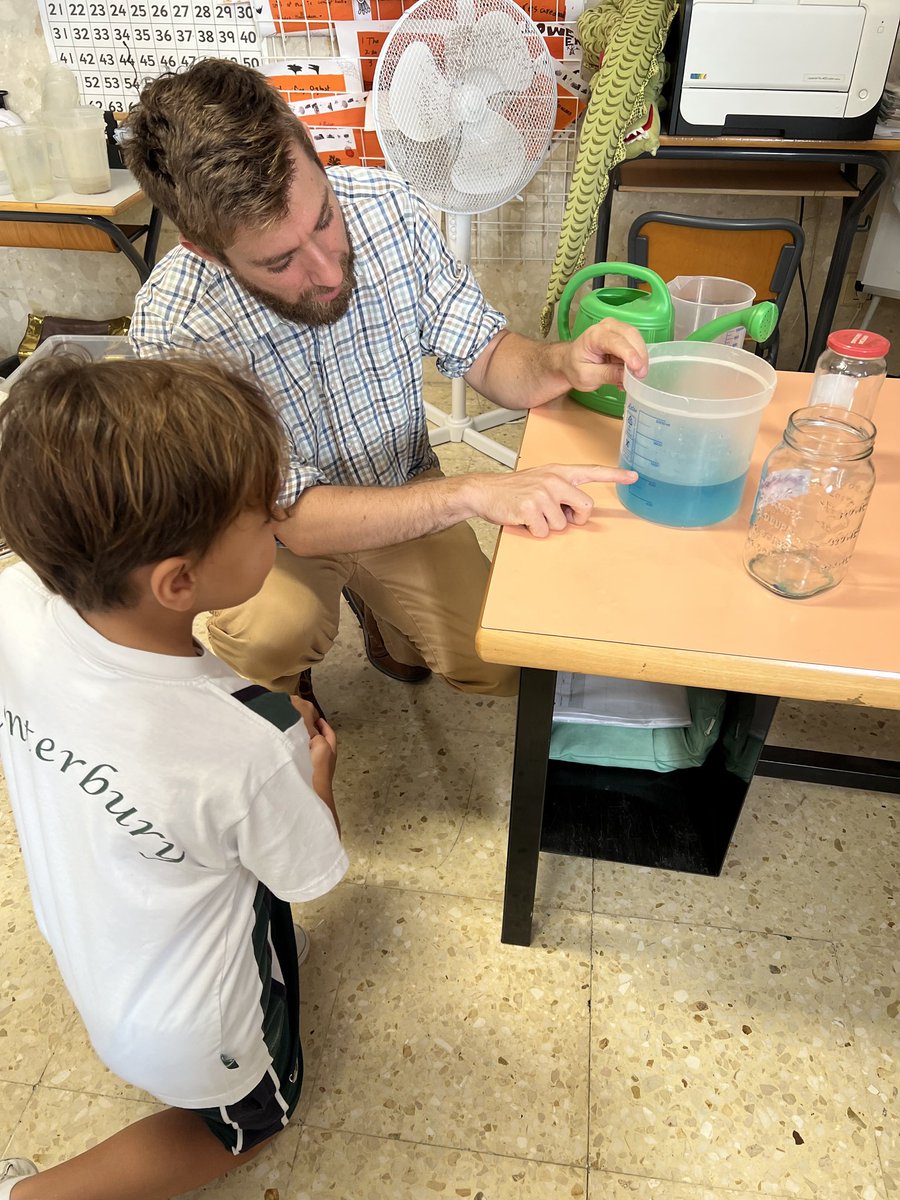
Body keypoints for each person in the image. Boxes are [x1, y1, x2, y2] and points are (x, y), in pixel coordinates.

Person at [123, 59, 647, 713]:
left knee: (503, 663)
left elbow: (488, 355)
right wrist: (477, 492)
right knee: (270, 633)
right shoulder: (176, 326)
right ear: (205, 249)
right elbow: (297, 520)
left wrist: (563, 362)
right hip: (275, 539)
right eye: (280, 261)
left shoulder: (386, 209)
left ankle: (383, 612)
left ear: (318, 162)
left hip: (403, 488)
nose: (325, 270)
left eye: (323, 218)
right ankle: (288, 682)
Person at [0, 354, 347, 1199]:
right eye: (264, 516)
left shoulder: (13, 601)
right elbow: (310, 869)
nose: (280, 520)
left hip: (92, 951)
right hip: (196, 1032)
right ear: (179, 581)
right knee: (254, 1123)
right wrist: (313, 776)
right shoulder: (252, 743)